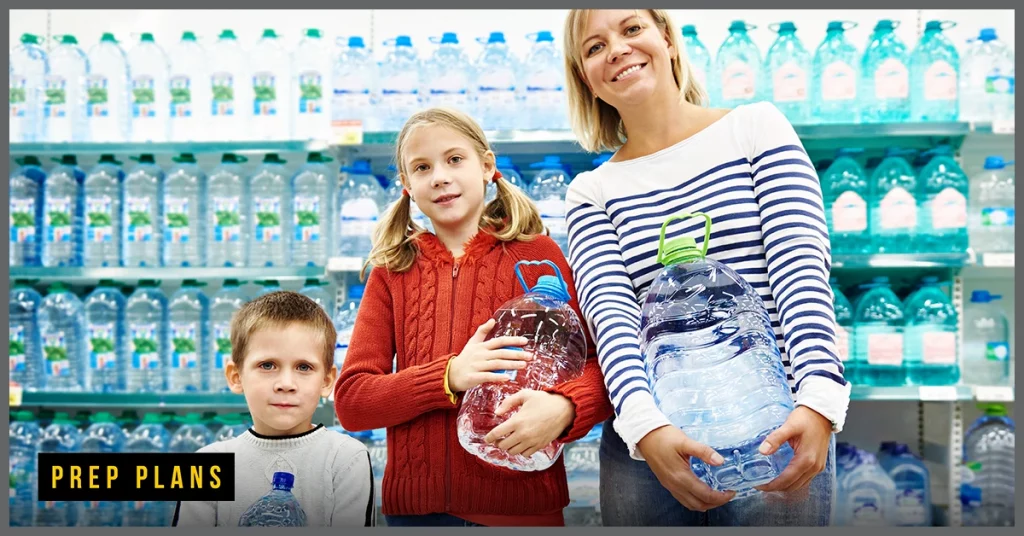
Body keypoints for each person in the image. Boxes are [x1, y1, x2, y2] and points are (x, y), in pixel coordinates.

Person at [561, 9, 851, 526]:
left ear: (667, 39)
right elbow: (613, 321)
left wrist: (820, 400)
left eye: (631, 29)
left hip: (772, 432)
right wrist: (647, 430)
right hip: (651, 455)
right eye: (595, 47)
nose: (618, 50)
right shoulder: (592, 191)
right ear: (587, 76)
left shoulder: (754, 128)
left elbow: (801, 273)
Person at [334, 107, 613, 527]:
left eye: (454, 159)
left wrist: (565, 409)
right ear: (407, 185)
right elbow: (353, 402)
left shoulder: (538, 258)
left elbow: (602, 364)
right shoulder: (391, 272)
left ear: (486, 166)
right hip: (419, 515)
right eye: (422, 167)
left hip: (524, 508)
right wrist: (448, 376)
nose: (440, 176)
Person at [173, 291, 374, 527]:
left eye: (304, 367)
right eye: (267, 365)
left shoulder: (345, 458)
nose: (286, 384)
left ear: (327, 381)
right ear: (236, 376)